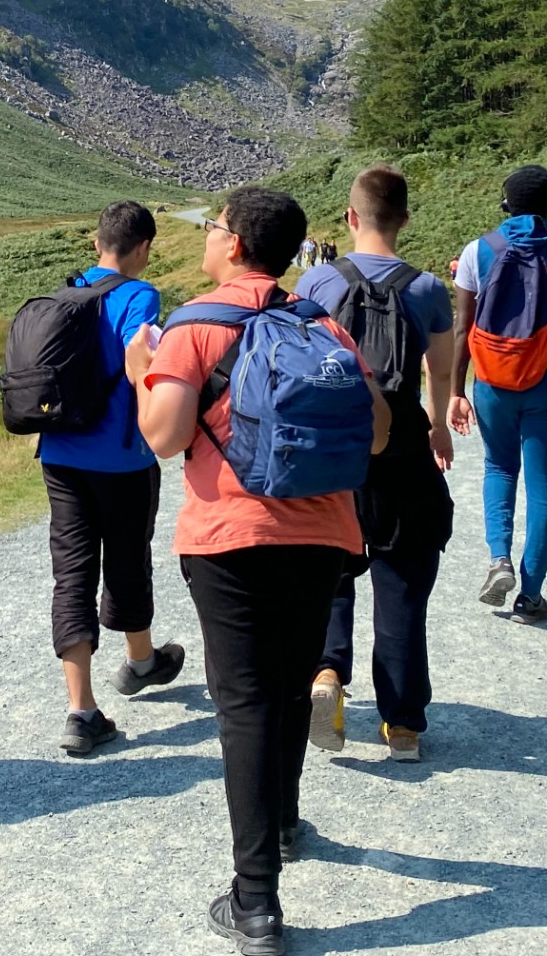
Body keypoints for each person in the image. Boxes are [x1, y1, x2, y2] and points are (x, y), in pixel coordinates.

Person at [125, 186, 391, 955]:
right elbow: (374, 433)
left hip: (228, 538)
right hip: (322, 535)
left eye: (211, 228)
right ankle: (283, 820)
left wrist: (144, 370)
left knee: (242, 702)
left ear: (235, 244)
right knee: (286, 683)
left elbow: (164, 440)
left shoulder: (192, 324)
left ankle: (256, 902)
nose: (207, 238)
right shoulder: (323, 323)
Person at [296, 165, 455, 763]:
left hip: (335, 447)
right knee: (403, 579)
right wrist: (439, 429)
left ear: (350, 217)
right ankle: (404, 723)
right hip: (405, 442)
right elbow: (438, 372)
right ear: (405, 219)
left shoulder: (316, 283)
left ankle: (326, 677)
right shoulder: (427, 289)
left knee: (331, 571)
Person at [38, 201, 184, 756]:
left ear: (99, 243)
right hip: (122, 456)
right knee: (126, 557)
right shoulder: (140, 295)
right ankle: (141, 660)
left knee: (72, 570)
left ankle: (80, 711)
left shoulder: (66, 291)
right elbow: (139, 364)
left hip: (59, 453)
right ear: (143, 248)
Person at [448, 165, 547, 625]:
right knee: (544, 488)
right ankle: (531, 598)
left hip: (492, 380)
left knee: (498, 466)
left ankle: (500, 559)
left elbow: (462, 328)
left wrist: (456, 390)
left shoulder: (477, 252)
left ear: (505, 205)